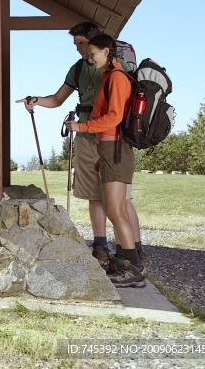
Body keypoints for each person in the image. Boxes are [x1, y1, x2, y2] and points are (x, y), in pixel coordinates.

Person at [15, 21, 145, 275]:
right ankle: (102, 247)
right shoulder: (79, 68)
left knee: (120, 201)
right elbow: (57, 98)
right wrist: (37, 101)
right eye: (76, 44)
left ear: (99, 45)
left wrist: (81, 127)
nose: (78, 49)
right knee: (93, 193)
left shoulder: (115, 71)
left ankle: (133, 254)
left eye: (82, 44)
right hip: (89, 138)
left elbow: (116, 113)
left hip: (111, 138)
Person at [65, 33, 144, 287]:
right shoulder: (110, 77)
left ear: (107, 52)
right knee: (116, 210)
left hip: (115, 149)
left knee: (115, 211)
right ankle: (129, 266)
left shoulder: (118, 78)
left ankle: (132, 268)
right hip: (109, 150)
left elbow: (114, 118)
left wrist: (82, 127)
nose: (90, 58)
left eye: (94, 54)